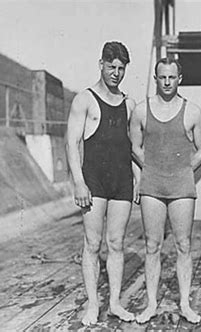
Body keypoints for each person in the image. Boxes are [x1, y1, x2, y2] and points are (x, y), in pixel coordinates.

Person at [129, 57, 201, 324]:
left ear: (179, 79)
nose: (167, 82)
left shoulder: (193, 111)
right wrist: (148, 169)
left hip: (182, 185)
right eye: (162, 77)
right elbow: (135, 147)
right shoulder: (141, 110)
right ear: (155, 79)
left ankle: (185, 303)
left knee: (183, 244)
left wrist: (183, 170)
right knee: (152, 245)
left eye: (172, 77)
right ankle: (151, 304)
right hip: (152, 184)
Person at [66, 41, 136, 325]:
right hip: (93, 180)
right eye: (111, 67)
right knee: (93, 243)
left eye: (121, 69)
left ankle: (115, 303)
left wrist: (139, 179)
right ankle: (93, 304)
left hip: (121, 181)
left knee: (116, 242)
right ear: (101, 65)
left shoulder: (129, 103)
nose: (116, 74)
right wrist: (79, 183)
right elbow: (72, 143)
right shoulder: (84, 99)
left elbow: (133, 148)